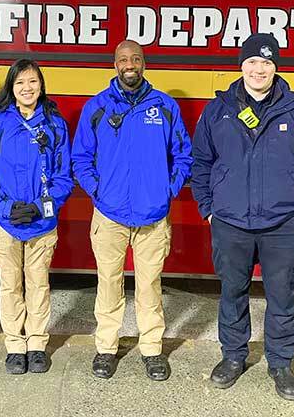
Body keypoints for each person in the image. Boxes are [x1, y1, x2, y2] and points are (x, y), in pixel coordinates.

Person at [191, 33, 294, 401]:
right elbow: (201, 162)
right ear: (241, 66)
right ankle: (233, 357)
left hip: (283, 225)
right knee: (232, 293)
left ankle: (281, 364)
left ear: (276, 68)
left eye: (267, 63)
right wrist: (208, 208)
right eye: (253, 62)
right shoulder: (218, 110)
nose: (259, 69)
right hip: (231, 223)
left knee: (282, 297)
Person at [71, 40, 193, 381]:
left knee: (149, 287)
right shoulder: (97, 107)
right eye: (124, 59)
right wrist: (98, 192)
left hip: (153, 217)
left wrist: (167, 190)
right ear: (114, 64)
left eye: (136, 59)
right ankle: (106, 348)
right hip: (109, 215)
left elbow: (183, 155)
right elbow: (80, 158)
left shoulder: (165, 107)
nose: (130, 64)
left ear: (144, 64)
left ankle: (151, 349)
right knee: (108, 284)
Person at [0, 59, 73, 375]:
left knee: (39, 284)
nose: (27, 88)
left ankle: (37, 344)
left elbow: (64, 176)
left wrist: (43, 207)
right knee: (10, 285)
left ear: (41, 85)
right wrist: (4, 207)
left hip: (42, 223)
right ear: (10, 88)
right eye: (20, 83)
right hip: (5, 222)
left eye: (33, 82)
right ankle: (15, 345)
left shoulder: (55, 124)